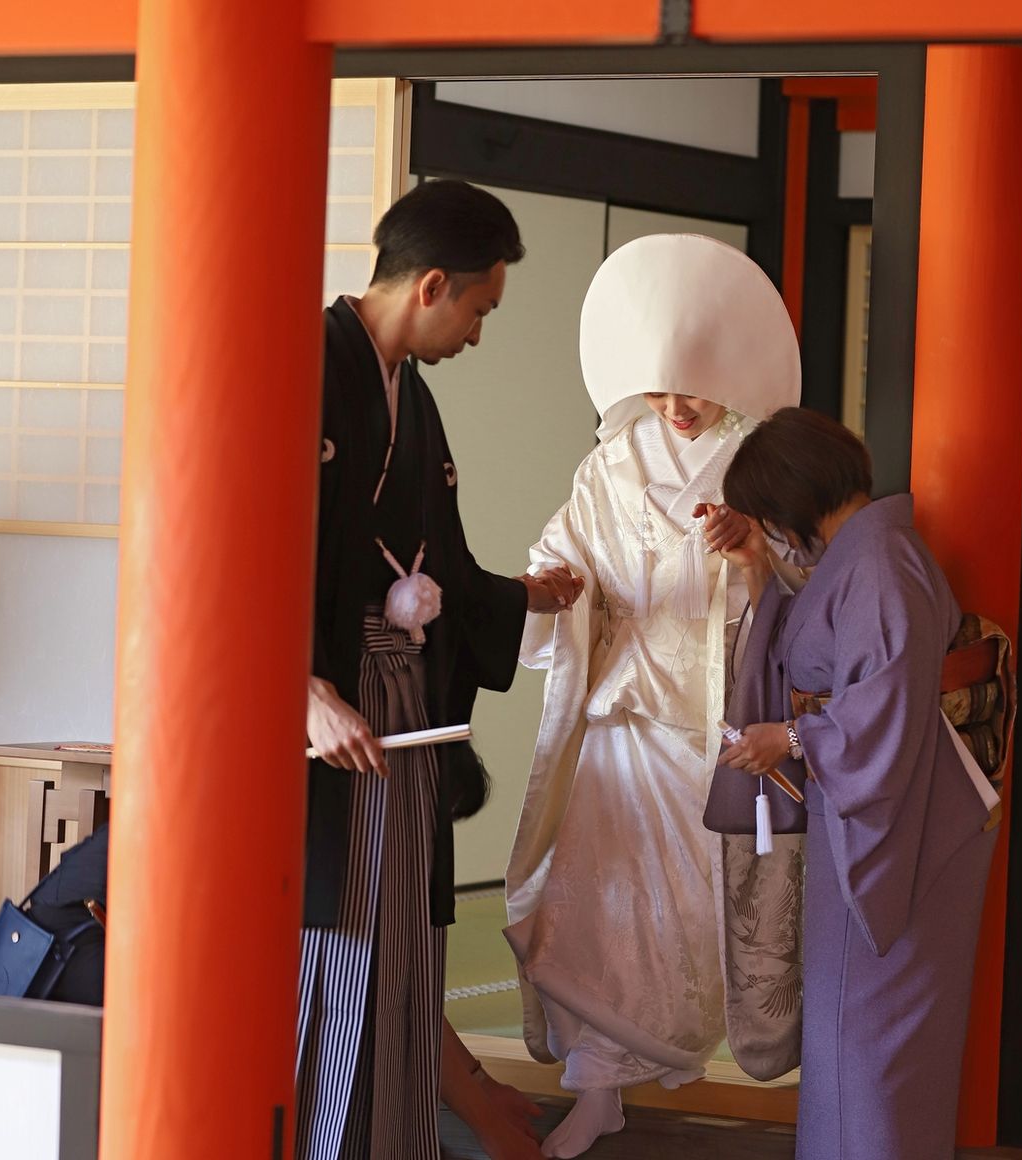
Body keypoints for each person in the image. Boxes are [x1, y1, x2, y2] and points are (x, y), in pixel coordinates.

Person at [297, 179, 582, 1160]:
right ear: (430, 287)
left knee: (401, 935)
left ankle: (391, 1135)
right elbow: (242, 550)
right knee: (335, 934)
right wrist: (302, 688)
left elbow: (437, 565)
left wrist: (522, 595)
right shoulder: (306, 367)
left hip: (394, 706)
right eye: (479, 308)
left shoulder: (409, 397)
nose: (478, 333)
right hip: (330, 711)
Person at [504, 234, 805, 1159]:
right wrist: (554, 583)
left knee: (685, 920)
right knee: (595, 904)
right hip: (623, 714)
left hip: (714, 723)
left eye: (696, 388)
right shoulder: (613, 463)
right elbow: (564, 553)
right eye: (664, 387)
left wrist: (753, 553)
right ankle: (597, 1086)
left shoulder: (758, 463)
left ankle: (641, 1063)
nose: (678, 407)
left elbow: (806, 579)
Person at [717, 407, 999, 1160]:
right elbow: (816, 655)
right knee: (856, 1038)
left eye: (770, 519)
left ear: (793, 501)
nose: (775, 533)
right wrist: (756, 569)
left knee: (875, 1047)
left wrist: (792, 736)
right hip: (877, 809)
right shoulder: (871, 553)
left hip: (904, 823)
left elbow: (886, 705)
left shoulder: (881, 563)